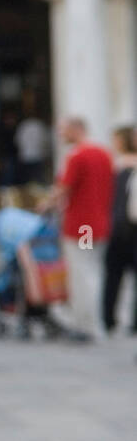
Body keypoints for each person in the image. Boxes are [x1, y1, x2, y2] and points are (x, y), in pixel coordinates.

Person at [39, 116, 113, 341]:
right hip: (99, 223)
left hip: (82, 225)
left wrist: (45, 205)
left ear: (76, 129)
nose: (61, 135)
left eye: (64, 130)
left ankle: (88, 324)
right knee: (93, 271)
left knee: (84, 273)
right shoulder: (103, 153)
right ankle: (91, 321)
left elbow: (63, 187)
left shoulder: (77, 156)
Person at [102, 125, 137, 336]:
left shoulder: (116, 165)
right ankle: (118, 320)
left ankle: (113, 320)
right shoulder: (117, 165)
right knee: (117, 276)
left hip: (121, 228)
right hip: (124, 229)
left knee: (113, 276)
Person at [15, 113, 49, 186]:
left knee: (26, 178)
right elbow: (45, 140)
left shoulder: (23, 125)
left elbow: (17, 140)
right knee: (38, 177)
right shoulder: (40, 125)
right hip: (38, 155)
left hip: (25, 156)